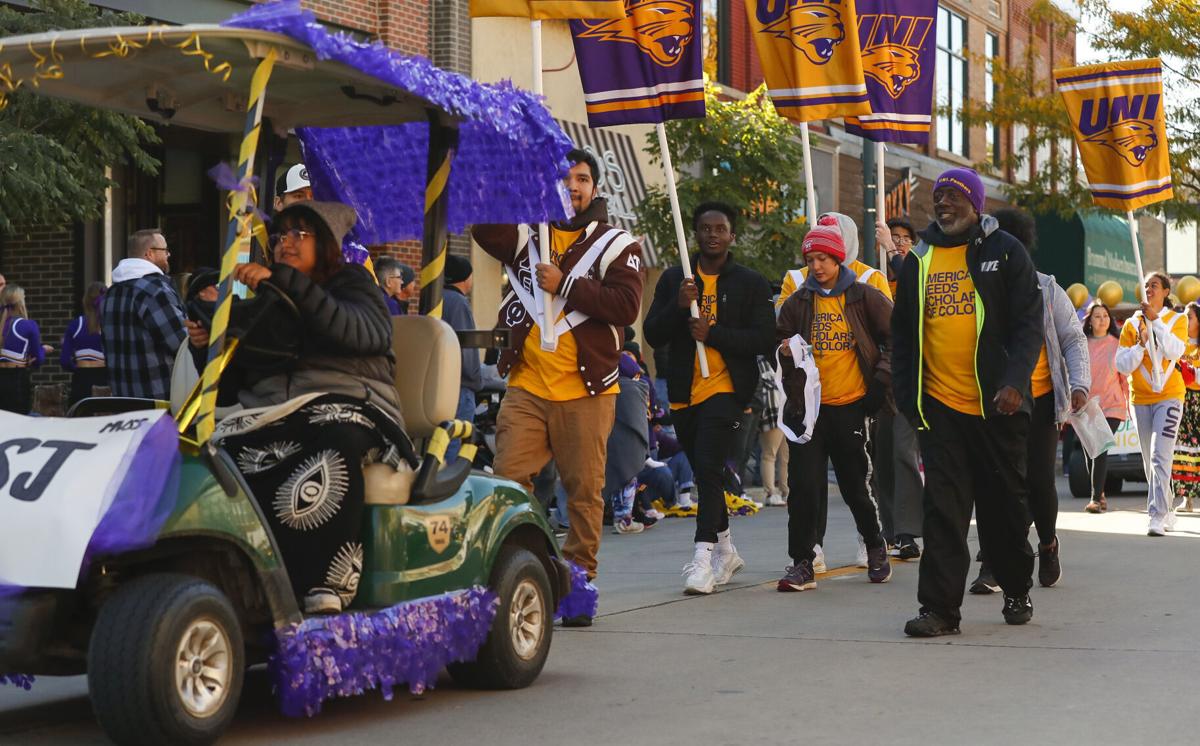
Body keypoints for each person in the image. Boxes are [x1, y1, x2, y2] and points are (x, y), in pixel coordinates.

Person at [197, 200, 404, 614]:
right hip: (277, 412)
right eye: (280, 236)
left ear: (325, 242)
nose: (285, 243)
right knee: (220, 459)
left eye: (298, 234)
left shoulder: (352, 284)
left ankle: (324, 585)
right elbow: (236, 384)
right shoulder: (273, 295)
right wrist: (212, 336)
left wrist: (285, 283)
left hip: (351, 403)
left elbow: (357, 332)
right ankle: (242, 579)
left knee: (332, 444)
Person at [471, 148, 644, 626]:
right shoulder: (529, 233)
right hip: (527, 385)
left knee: (584, 494)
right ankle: (516, 572)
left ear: (595, 186)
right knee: (508, 483)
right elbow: (485, 230)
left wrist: (565, 282)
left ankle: (578, 583)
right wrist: (508, 176)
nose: (573, 186)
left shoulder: (616, 243)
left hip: (587, 391)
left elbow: (626, 305)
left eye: (582, 179)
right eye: (564, 178)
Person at [892, 168, 1043, 637]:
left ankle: (1016, 586)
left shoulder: (1005, 251)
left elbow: (1027, 323)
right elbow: (902, 336)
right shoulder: (919, 259)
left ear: (975, 203)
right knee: (944, 511)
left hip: (998, 408)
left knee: (1004, 512)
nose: (944, 204)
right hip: (941, 409)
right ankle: (939, 610)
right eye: (939, 197)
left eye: (954, 196)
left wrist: (1016, 380)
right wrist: (907, 398)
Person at [644, 201, 775, 595]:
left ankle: (702, 558)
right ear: (695, 235)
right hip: (685, 394)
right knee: (709, 473)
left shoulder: (749, 282)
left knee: (707, 464)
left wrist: (713, 334)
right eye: (705, 228)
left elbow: (765, 338)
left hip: (727, 389)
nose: (712, 235)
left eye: (720, 228)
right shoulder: (675, 280)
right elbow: (653, 333)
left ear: (732, 236)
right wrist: (678, 307)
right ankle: (727, 548)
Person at [968, 208, 1090, 593]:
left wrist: (1079, 384)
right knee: (998, 481)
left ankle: (1048, 543)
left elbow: (1072, 338)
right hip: (994, 401)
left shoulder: (1046, 288)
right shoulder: (975, 289)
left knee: (1038, 482)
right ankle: (994, 564)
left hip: (1039, 402)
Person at [774, 225, 894, 592]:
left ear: (838, 257)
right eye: (810, 260)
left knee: (855, 484)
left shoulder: (864, 296)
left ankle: (875, 545)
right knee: (803, 486)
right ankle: (802, 562)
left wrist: (879, 385)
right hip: (809, 411)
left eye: (823, 258)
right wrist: (783, 351)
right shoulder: (799, 302)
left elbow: (896, 340)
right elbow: (778, 339)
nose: (817, 266)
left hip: (851, 406)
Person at [1116, 272, 1189, 536]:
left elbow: (1174, 351)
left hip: (1169, 396)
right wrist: (1139, 346)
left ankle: (1156, 516)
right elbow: (1121, 364)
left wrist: (1156, 322)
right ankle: (1167, 507)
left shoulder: (1177, 320)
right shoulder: (1132, 324)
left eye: (1154, 286)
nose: (1149, 289)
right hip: (1141, 398)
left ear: (1166, 291)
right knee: (1150, 461)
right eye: (1146, 285)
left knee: (1160, 455)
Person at [102, 229, 187, 400]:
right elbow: (181, 343)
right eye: (165, 250)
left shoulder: (111, 293)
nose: (168, 255)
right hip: (160, 397)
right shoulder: (155, 290)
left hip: (123, 398)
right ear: (149, 253)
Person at [1081, 300, 1128, 513]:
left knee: (1099, 448)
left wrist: (1129, 405)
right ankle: (1100, 493)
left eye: (1105, 316)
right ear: (1089, 321)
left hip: (1112, 405)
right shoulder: (1080, 344)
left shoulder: (1117, 344)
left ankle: (1095, 499)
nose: (1103, 319)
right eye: (1098, 316)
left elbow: (1124, 378)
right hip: (1085, 406)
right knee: (1090, 450)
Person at [442, 254, 482, 462]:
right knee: (455, 441)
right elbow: (466, 346)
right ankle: (448, 491)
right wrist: (476, 378)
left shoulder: (435, 297)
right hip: (460, 386)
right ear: (466, 278)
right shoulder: (458, 302)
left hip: (440, 383)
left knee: (440, 440)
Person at [0, 285, 52, 414]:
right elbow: (38, 360)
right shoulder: (28, 325)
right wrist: (43, 350)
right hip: (16, 381)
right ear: (21, 302)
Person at [60, 281, 108, 406]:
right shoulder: (109, 325)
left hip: (81, 379)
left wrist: (77, 369)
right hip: (104, 380)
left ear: (85, 300)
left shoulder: (75, 324)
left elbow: (64, 361)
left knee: (80, 421)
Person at [1172, 302, 1200, 512]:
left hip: (1197, 399)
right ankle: (1186, 499)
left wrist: (1192, 373)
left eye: (1189, 316)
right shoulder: (1178, 344)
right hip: (1181, 399)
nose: (1184, 319)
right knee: (1183, 450)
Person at [757, 355, 789, 507]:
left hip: (773, 411)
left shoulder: (759, 361)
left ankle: (779, 491)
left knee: (773, 455)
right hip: (778, 410)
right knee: (777, 455)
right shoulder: (774, 358)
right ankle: (776, 491)